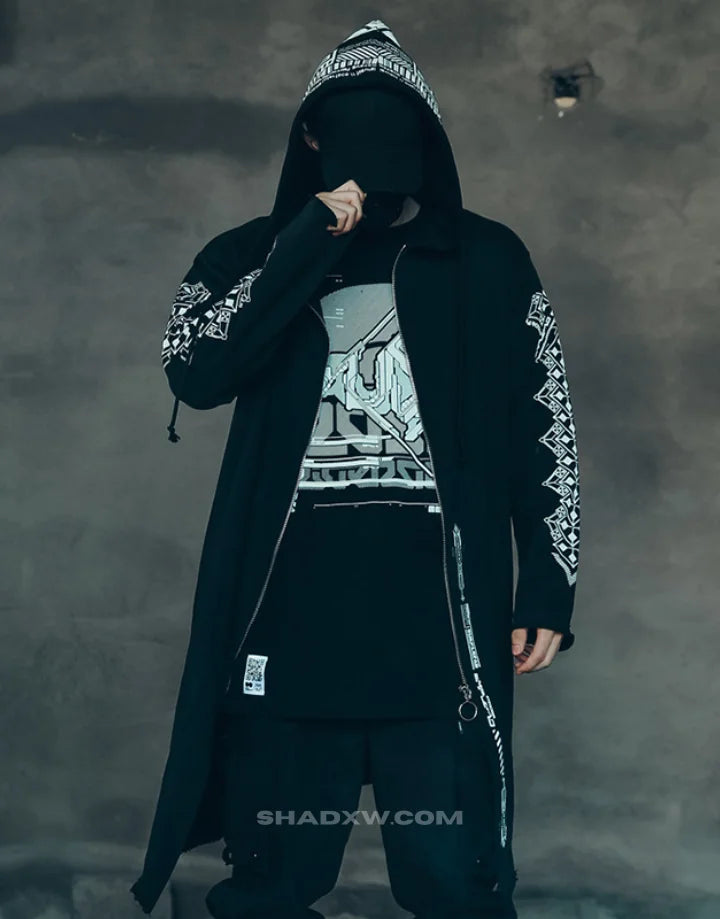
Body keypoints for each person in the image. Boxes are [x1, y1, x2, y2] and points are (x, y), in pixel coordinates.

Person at [130, 19, 581, 919]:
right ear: (309, 136)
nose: (373, 143)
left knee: (458, 887)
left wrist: (548, 586)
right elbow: (195, 370)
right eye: (346, 122)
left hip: (440, 635)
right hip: (288, 628)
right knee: (268, 887)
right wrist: (306, 241)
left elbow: (545, 427)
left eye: (395, 123)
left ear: (427, 138)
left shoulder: (487, 260)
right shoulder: (246, 254)